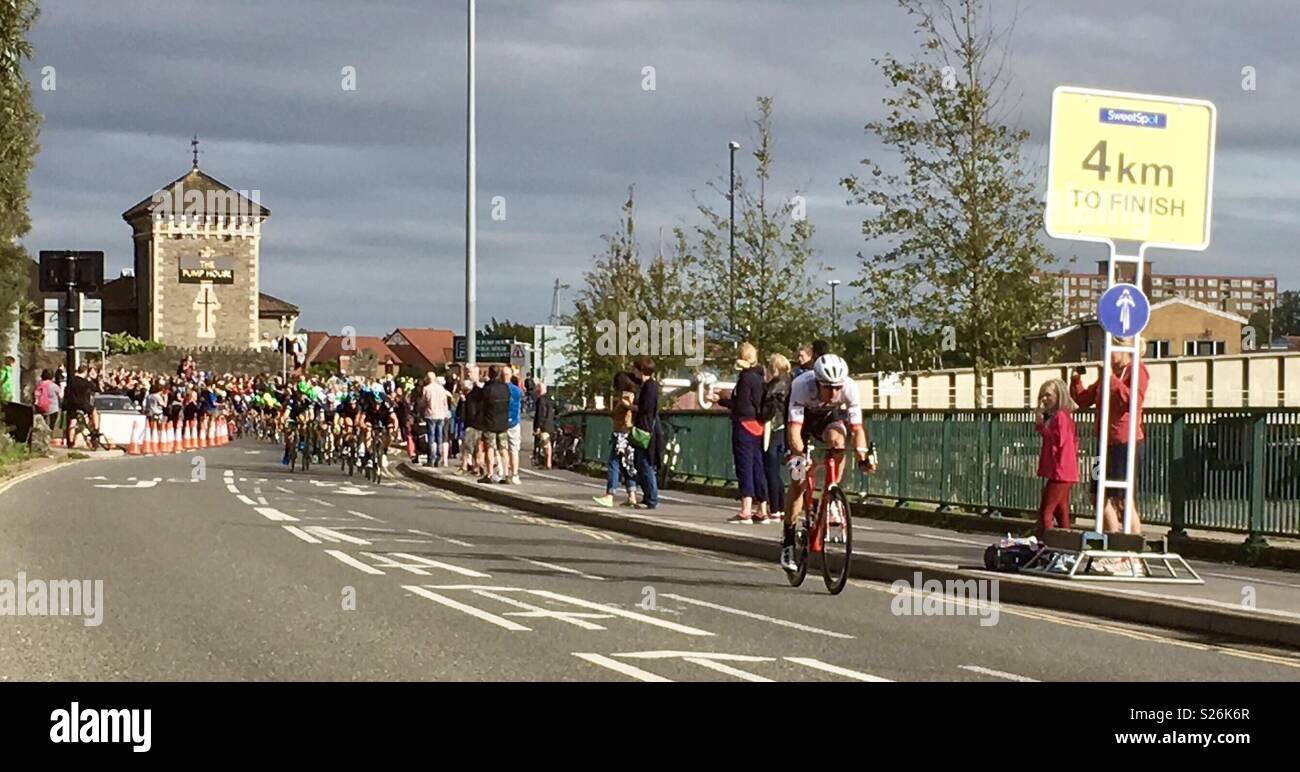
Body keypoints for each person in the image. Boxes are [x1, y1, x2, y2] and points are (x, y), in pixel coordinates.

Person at [781, 354, 875, 571]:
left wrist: (862, 457)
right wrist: (801, 456)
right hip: (802, 420)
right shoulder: (801, 386)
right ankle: (787, 542)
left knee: (839, 441)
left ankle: (832, 492)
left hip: (829, 418)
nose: (833, 392)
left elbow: (857, 429)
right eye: (828, 388)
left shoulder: (850, 388)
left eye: (837, 388)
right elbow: (794, 431)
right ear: (817, 382)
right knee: (798, 480)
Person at [1071, 340, 1150, 535]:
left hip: (1125, 443)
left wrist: (1112, 380)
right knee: (1097, 495)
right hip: (1104, 443)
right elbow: (1084, 400)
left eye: (1109, 349)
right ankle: (1113, 540)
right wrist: (1076, 381)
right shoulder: (1108, 375)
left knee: (1124, 497)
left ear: (1123, 351)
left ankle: (1131, 550)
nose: (1105, 353)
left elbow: (1133, 401)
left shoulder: (1137, 370)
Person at [715, 343, 769, 523]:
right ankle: (762, 508)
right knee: (758, 466)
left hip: (744, 424)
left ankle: (746, 509)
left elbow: (741, 405)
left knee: (744, 466)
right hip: (758, 425)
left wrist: (721, 400)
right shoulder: (760, 377)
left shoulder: (745, 378)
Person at [1035, 378, 1078, 540]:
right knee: (1061, 511)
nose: (1044, 399)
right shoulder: (1063, 416)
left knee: (1046, 512)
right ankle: (1066, 545)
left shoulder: (1060, 417)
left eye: (1048, 395)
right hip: (1064, 471)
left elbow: (1059, 442)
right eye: (1042, 396)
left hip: (1061, 472)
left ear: (1058, 396)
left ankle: (1049, 546)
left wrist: (1042, 427)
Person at [593, 386, 639, 507]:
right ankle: (632, 496)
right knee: (627, 466)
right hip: (626, 434)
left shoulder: (626, 398)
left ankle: (610, 495)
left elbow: (629, 409)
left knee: (614, 464)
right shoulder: (632, 396)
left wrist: (622, 404)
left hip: (621, 435)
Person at [761, 353, 793, 523]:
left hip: (775, 428)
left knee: (771, 469)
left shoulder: (776, 384)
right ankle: (782, 507)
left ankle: (775, 507)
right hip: (788, 429)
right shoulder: (792, 381)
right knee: (786, 473)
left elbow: (770, 407)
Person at [631, 356, 660, 510]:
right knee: (640, 463)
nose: (633, 371)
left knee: (645, 463)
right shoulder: (647, 385)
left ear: (641, 369)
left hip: (646, 429)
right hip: (645, 427)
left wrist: (632, 407)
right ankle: (647, 496)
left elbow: (646, 408)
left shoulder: (650, 386)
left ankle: (651, 498)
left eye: (635, 368)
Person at [478, 365, 512, 484]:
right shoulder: (506, 388)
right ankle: (507, 475)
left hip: (490, 422)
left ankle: (490, 474)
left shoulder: (488, 389)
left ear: (490, 374)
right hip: (503, 422)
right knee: (504, 449)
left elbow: (481, 405)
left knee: (490, 448)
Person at [62, 364, 98, 448]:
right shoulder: (85, 382)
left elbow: (66, 392)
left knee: (72, 422)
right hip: (83, 404)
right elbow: (95, 389)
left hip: (72, 404)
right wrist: (93, 379)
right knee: (94, 411)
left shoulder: (71, 381)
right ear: (85, 372)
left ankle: (71, 443)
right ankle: (96, 429)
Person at [420, 372, 450, 467]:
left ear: (428, 379)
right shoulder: (441, 389)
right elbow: (445, 402)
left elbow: (423, 402)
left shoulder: (426, 389)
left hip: (431, 415)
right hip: (441, 415)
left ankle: (431, 459)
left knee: (431, 437)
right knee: (439, 437)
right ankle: (439, 457)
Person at [504, 365, 524, 484]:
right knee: (514, 450)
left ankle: (505, 473)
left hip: (501, 422)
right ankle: (515, 474)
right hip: (514, 422)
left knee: (502, 449)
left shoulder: (500, 388)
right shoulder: (517, 390)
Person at [532, 381, 557, 469]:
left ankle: (548, 463)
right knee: (547, 443)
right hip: (550, 424)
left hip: (544, 425)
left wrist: (538, 426)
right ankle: (547, 462)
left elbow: (540, 414)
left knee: (545, 443)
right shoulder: (550, 399)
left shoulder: (541, 400)